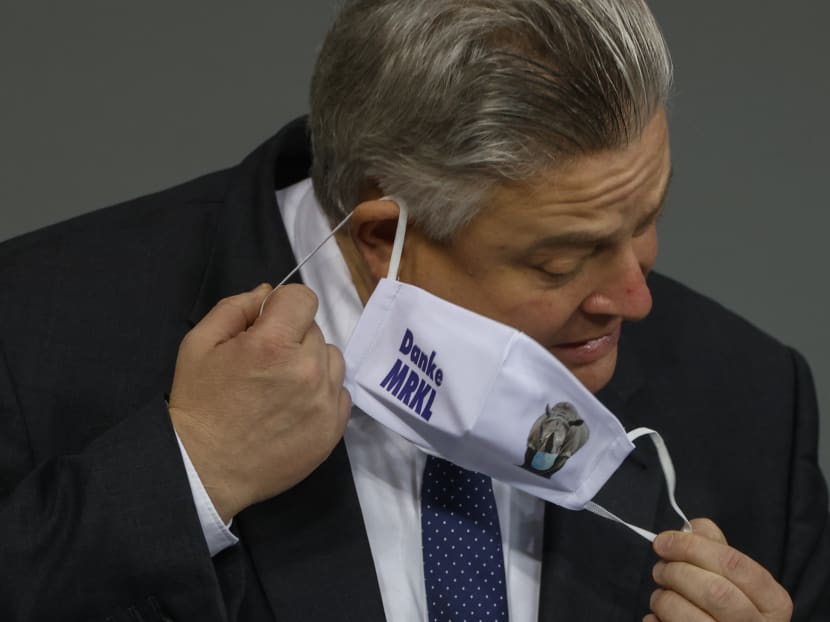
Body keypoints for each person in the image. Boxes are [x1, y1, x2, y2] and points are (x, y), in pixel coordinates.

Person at [0, 0, 827, 620]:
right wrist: (188, 474)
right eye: (560, 261)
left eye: (645, 221)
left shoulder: (753, 400)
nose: (636, 299)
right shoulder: (33, 333)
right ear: (380, 236)